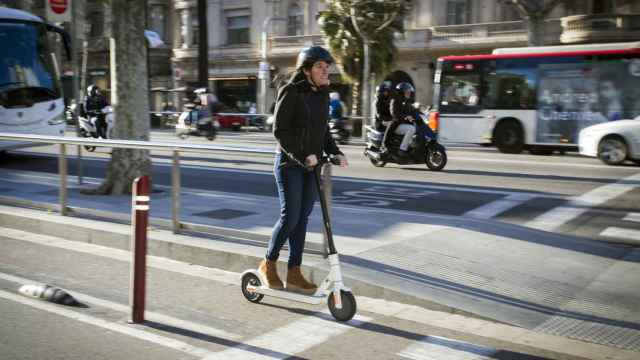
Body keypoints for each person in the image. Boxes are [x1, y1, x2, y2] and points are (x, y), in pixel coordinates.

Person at [259, 46, 348, 295]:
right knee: (291, 217)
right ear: (307, 69)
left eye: (327, 66)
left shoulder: (322, 94)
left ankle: (295, 272)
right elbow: (280, 131)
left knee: (303, 218)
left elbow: (324, 131)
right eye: (320, 66)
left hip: (311, 166)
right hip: (289, 164)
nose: (325, 70)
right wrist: (301, 156)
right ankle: (268, 262)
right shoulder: (291, 91)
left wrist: (335, 151)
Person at [389, 82, 418, 158]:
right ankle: (402, 150)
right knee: (411, 129)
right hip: (396, 125)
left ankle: (410, 147)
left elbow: (412, 110)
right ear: (401, 92)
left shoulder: (406, 101)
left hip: (402, 124)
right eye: (407, 91)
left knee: (416, 129)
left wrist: (422, 111)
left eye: (409, 91)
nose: (409, 93)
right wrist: (406, 117)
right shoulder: (395, 101)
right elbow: (394, 113)